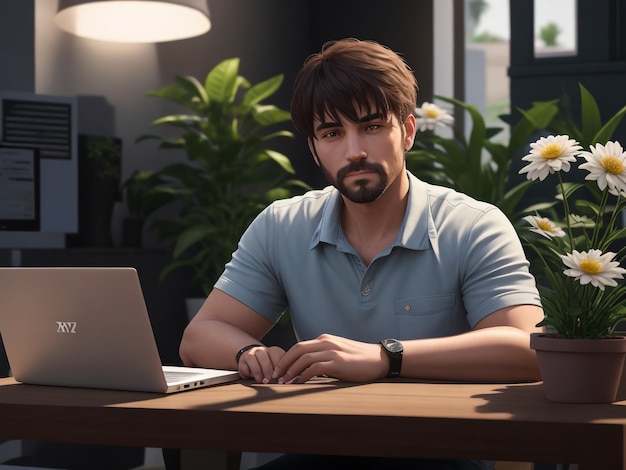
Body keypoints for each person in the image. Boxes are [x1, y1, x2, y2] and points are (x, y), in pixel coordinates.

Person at [179, 38, 544, 470]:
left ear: (407, 131)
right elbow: (199, 337)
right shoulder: (282, 225)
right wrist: (247, 353)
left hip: (444, 452)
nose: (354, 150)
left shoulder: (473, 224)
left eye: (372, 126)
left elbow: (527, 348)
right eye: (332, 133)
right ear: (314, 149)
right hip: (323, 448)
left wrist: (385, 357)